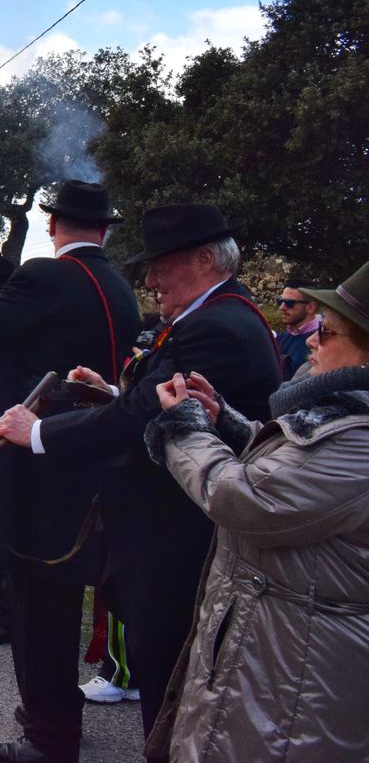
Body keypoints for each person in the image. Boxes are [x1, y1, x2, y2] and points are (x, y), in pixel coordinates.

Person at [0, 202, 282, 762]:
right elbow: (153, 405)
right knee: (162, 658)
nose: (150, 281)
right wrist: (109, 392)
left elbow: (142, 419)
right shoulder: (212, 317)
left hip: (178, 528)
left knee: (168, 660)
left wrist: (39, 433)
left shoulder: (218, 326)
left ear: (203, 259)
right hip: (166, 520)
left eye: (161, 266)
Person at [0, 181, 142, 763]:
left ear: (52, 227)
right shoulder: (117, 285)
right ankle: (51, 710)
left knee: (36, 602)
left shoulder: (46, 277)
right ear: (105, 229)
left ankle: (50, 735)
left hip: (38, 463)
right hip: (82, 455)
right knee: (49, 597)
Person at [144, 258, 369, 763]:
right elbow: (297, 473)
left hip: (300, 669)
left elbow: (249, 500)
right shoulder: (352, 421)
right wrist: (229, 425)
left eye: (328, 332)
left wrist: (184, 429)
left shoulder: (361, 442)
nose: (312, 339)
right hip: (283, 648)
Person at [274, 276, 320, 379]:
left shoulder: (321, 343)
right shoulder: (279, 337)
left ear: (310, 307)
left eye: (289, 303)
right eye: (280, 301)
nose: (282, 307)